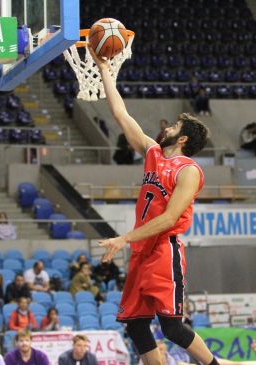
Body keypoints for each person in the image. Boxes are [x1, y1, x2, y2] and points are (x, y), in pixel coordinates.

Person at [89, 46, 222, 365]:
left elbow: (170, 218)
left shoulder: (189, 170)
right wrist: (104, 69)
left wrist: (124, 238)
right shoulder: (152, 152)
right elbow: (121, 114)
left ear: (183, 139)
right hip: (141, 251)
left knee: (172, 327)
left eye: (174, 127)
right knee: (135, 326)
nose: (167, 128)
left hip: (164, 249)